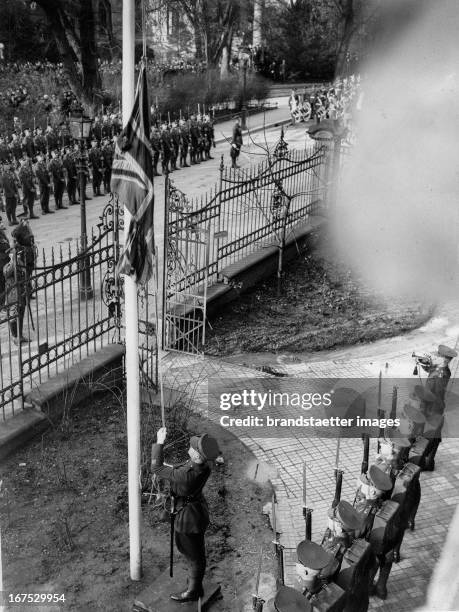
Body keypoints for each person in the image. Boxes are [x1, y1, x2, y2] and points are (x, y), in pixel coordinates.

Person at [151, 427, 220, 602]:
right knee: (196, 551)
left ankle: (193, 591)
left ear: (196, 456)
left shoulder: (186, 476)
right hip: (196, 510)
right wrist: (170, 467)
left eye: (194, 446)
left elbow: (156, 468)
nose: (191, 445)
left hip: (187, 519)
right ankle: (196, 584)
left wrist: (160, 442)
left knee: (193, 555)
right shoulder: (203, 465)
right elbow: (180, 468)